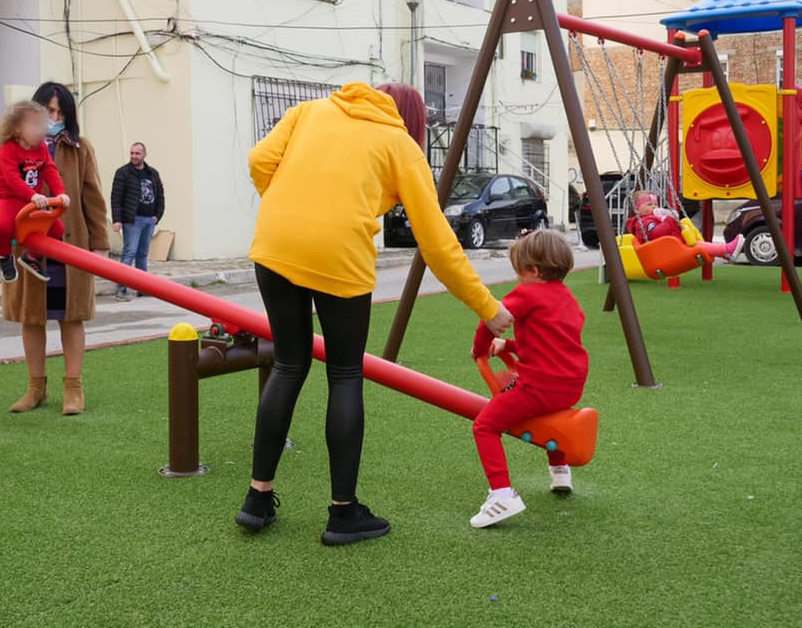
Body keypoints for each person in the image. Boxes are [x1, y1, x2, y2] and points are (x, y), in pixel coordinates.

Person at [235, 82, 510, 546]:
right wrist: (487, 307)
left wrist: (292, 207)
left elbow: (259, 161)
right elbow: (437, 241)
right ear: (415, 122)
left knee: (287, 364)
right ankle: (343, 514)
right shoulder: (400, 144)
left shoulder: (311, 110)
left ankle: (257, 499)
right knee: (344, 375)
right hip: (339, 254)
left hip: (275, 242)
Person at [0, 82, 109, 416]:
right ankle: (36, 388)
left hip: (68, 244)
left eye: (60, 113)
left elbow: (93, 198)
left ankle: (73, 388)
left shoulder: (80, 148)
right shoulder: (10, 146)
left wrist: (100, 246)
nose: (54, 118)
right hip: (28, 248)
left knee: (71, 316)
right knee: (31, 318)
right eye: (48, 111)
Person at [469, 230, 589, 528]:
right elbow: (549, 341)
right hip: (572, 385)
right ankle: (560, 471)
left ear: (534, 271)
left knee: (485, 425)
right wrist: (508, 347)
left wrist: (480, 348)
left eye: (519, 272)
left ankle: (501, 494)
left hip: (540, 385)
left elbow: (492, 317)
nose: (517, 279)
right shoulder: (568, 299)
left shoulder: (528, 293)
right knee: (551, 418)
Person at [0, 101, 70, 283]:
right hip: (10, 198)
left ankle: (32, 256)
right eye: (35, 125)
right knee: (1, 227)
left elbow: (50, 170)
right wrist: (32, 195)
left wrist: (60, 193)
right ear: (17, 128)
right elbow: (12, 179)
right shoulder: (7, 150)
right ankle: (4, 257)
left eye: (42, 125)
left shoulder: (41, 147)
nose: (40, 130)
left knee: (57, 229)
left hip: (33, 200)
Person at [110, 141, 165, 301]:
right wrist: (117, 220)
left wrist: (157, 216)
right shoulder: (123, 173)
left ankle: (143, 287)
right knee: (129, 253)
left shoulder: (152, 173)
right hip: (131, 220)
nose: (134, 156)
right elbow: (116, 197)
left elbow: (160, 195)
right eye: (132, 153)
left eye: (137, 153)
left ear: (144, 155)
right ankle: (122, 289)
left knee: (142, 255)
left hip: (149, 220)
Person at [626, 190, 744, 261]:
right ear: (637, 209)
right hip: (664, 251)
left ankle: (725, 253)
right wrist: (669, 220)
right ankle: (726, 249)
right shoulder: (644, 222)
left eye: (656, 204)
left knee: (697, 243)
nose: (654, 207)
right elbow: (655, 233)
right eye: (649, 204)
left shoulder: (653, 218)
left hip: (669, 246)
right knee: (697, 246)